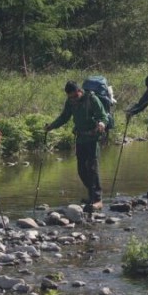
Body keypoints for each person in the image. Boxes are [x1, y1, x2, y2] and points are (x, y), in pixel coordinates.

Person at [45, 81, 107, 210]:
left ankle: (97, 199)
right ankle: (91, 195)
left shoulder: (92, 99)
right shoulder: (70, 102)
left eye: (74, 96)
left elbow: (103, 115)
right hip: (80, 139)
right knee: (81, 170)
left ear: (80, 91)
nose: (72, 99)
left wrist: (101, 123)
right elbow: (64, 117)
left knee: (92, 168)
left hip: (92, 138)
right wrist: (51, 126)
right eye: (70, 97)